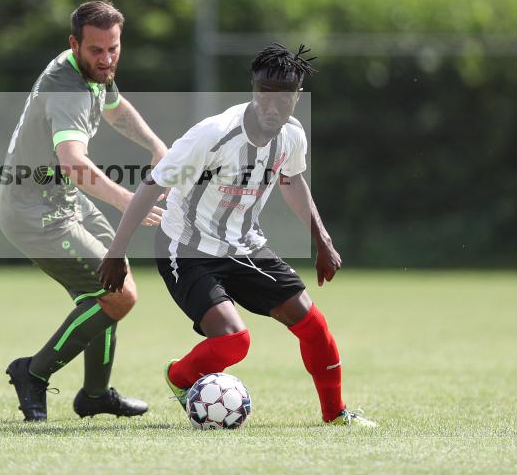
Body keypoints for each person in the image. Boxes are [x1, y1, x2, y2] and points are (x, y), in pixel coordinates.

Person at [98, 43, 377, 427]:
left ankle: (336, 414)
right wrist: (117, 252)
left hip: (244, 245)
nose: (271, 106)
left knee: (314, 326)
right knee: (235, 341)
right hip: (187, 246)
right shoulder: (212, 135)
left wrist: (322, 238)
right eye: (264, 93)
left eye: (283, 98)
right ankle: (179, 377)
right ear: (253, 88)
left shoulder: (292, 136)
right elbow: (151, 185)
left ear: (297, 97)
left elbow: (292, 179)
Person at [0, 0, 167, 421]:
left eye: (114, 48)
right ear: (75, 44)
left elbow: (114, 107)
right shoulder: (67, 87)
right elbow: (73, 162)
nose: (107, 59)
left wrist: (156, 146)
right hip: (34, 211)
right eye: (97, 50)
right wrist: (128, 201)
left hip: (62, 200)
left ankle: (94, 395)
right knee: (119, 296)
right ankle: (32, 373)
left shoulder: (92, 69)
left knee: (110, 285)